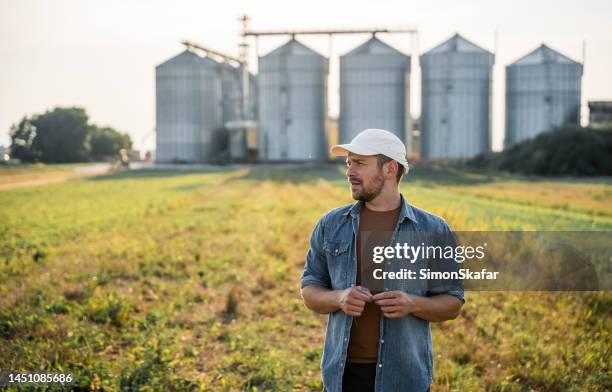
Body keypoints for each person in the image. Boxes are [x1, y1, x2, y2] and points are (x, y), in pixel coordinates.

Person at [300, 129, 464, 392]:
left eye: (360, 163)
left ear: (390, 168)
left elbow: (452, 303)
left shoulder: (433, 229)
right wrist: (340, 298)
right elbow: (310, 291)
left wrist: (411, 303)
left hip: (405, 377)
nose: (350, 172)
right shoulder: (331, 225)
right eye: (349, 163)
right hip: (343, 376)